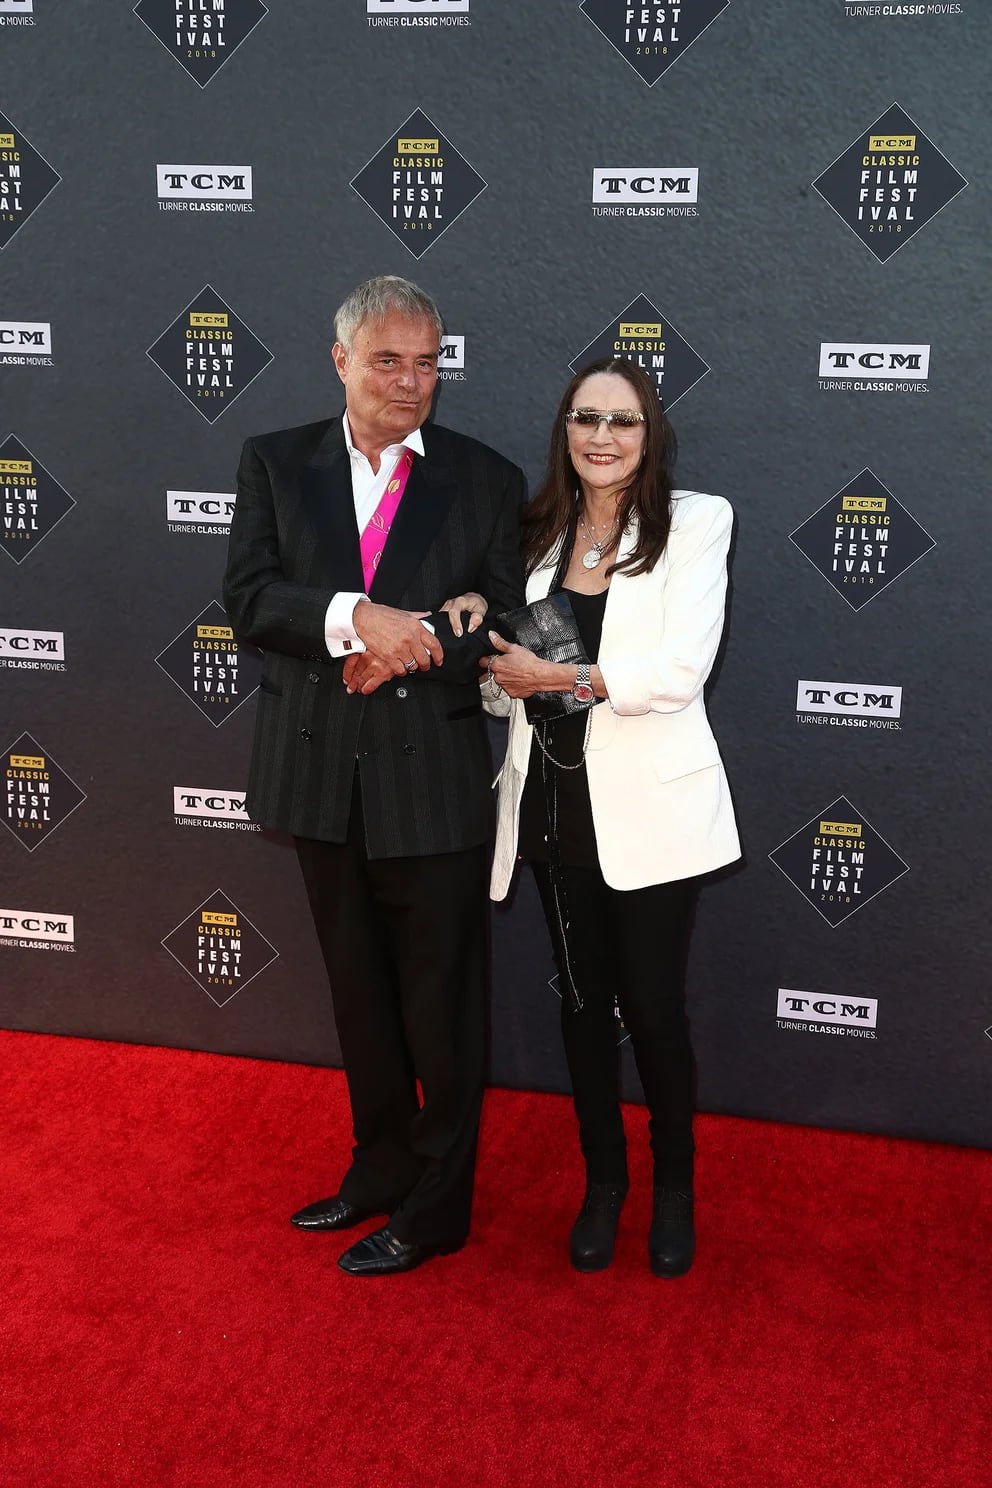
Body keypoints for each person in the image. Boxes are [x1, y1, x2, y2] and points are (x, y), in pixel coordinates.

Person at [223, 275, 525, 1276]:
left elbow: (506, 620)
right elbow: (252, 600)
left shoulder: (484, 477)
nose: (410, 381)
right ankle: (380, 1168)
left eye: (427, 362)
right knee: (359, 995)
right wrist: (358, 617)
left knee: (441, 1009)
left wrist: (426, 633)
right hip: (315, 778)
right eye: (388, 360)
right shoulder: (273, 462)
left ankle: (438, 1208)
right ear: (341, 360)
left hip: (428, 778)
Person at [462, 357, 740, 1276]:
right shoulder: (534, 532)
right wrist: (500, 677)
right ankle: (605, 1183)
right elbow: (509, 683)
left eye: (623, 421)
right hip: (551, 803)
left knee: (653, 1009)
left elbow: (679, 673)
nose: (603, 437)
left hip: (651, 814)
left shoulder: (695, 522)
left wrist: (563, 678)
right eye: (586, 418)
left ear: (649, 432)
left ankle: (673, 1191)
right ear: (565, 429)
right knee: (582, 1006)